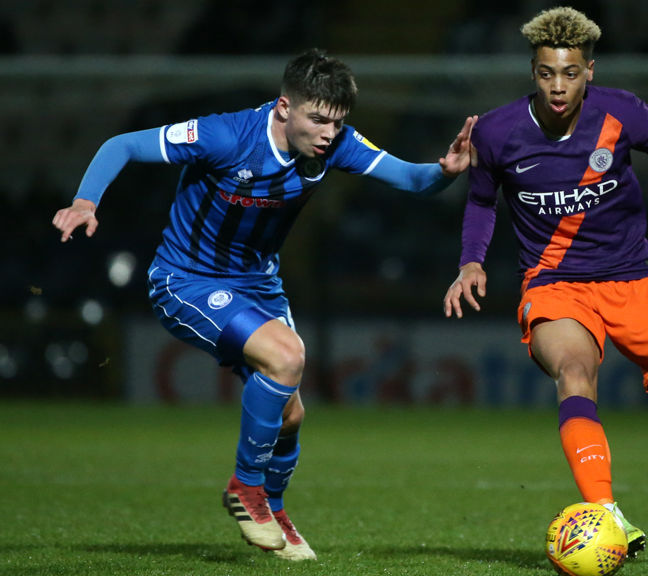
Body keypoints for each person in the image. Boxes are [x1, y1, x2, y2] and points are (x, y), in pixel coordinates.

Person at [53, 48, 476, 562]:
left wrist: (446, 170)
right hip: (186, 279)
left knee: (291, 415)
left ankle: (272, 509)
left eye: (337, 123)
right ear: (284, 107)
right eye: (317, 119)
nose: (328, 133)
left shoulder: (334, 143)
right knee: (287, 357)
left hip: (258, 284)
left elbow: (412, 179)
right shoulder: (226, 136)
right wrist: (85, 200)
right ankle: (245, 487)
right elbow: (121, 145)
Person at [442, 8, 648, 573]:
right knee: (575, 373)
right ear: (533, 72)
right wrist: (471, 263)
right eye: (546, 73)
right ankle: (605, 514)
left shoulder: (622, 113)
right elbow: (483, 200)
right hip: (553, 285)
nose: (559, 87)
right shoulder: (497, 132)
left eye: (571, 73)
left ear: (589, 71)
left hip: (634, 277)